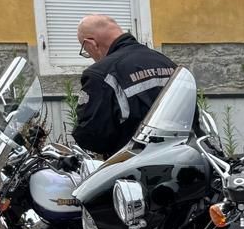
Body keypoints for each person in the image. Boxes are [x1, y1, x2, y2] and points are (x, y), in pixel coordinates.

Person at [72, 14, 178, 156]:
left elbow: (91, 135)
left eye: (86, 51)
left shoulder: (101, 73)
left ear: (91, 43)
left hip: (134, 164)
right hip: (178, 158)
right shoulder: (166, 62)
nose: (90, 57)